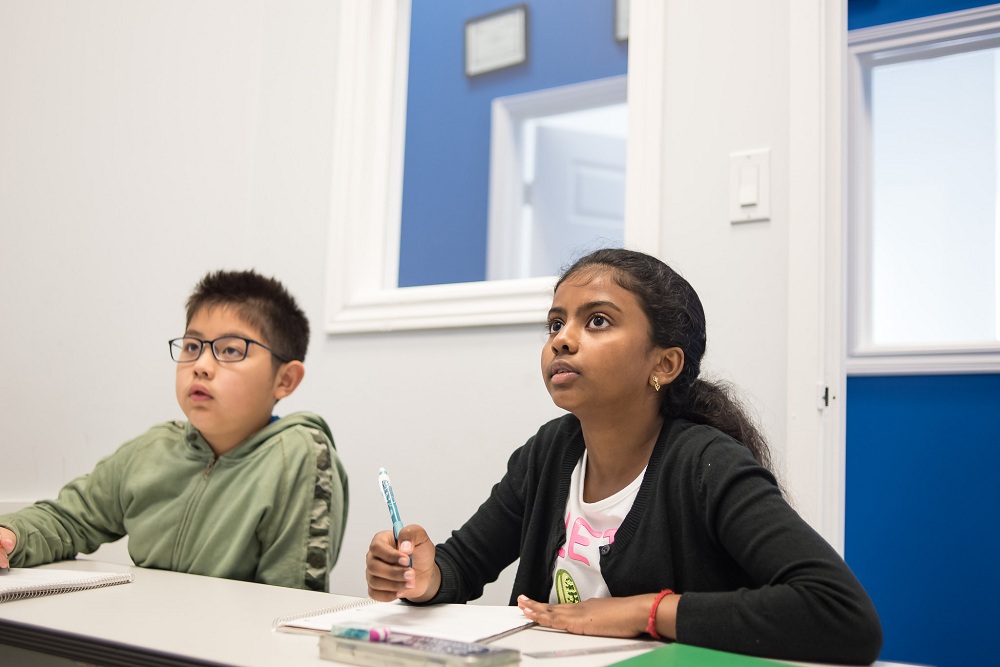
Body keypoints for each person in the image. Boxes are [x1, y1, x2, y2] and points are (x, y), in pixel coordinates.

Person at [364, 249, 882, 664]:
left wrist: (641, 612)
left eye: (597, 322)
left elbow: (842, 615)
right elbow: (462, 566)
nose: (562, 340)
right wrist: (422, 576)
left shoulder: (705, 464)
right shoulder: (550, 452)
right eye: (555, 324)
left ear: (665, 363)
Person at [0, 270, 349, 592]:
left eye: (230, 350)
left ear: (285, 380)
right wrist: (11, 535)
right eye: (193, 346)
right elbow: (68, 520)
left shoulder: (298, 457)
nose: (201, 366)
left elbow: (287, 602)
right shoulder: (152, 450)